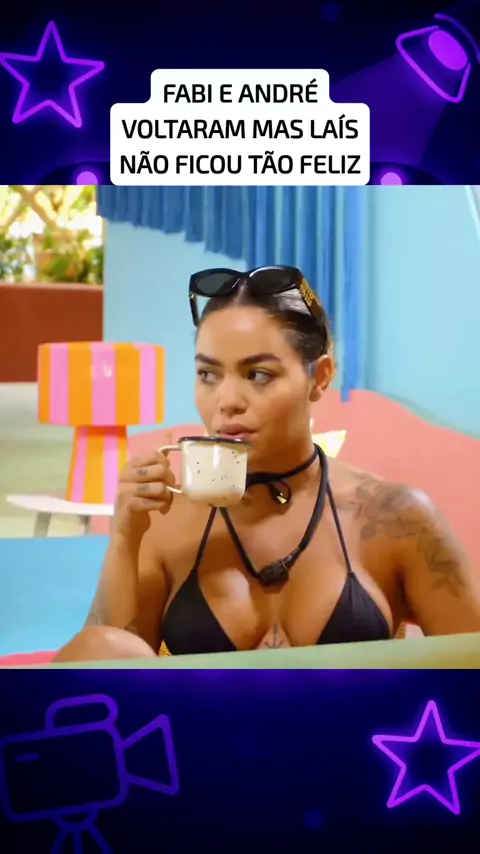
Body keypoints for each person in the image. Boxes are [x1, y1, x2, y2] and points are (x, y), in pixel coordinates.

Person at [54, 265, 480, 662]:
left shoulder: (395, 518)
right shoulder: (163, 524)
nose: (227, 401)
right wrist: (124, 538)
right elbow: (104, 679)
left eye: (258, 375)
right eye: (208, 375)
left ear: (320, 377)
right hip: (203, 722)